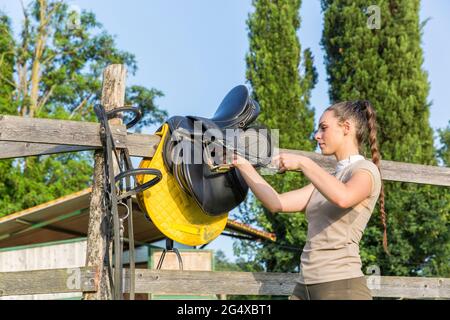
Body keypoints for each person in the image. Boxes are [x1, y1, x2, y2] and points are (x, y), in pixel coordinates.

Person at [232, 100, 389, 300]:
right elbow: (276, 203)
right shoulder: (327, 180)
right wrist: (241, 163)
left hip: (342, 286)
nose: (317, 135)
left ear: (346, 127)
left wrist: (303, 162)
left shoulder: (365, 171)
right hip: (304, 286)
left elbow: (343, 197)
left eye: (324, 128)